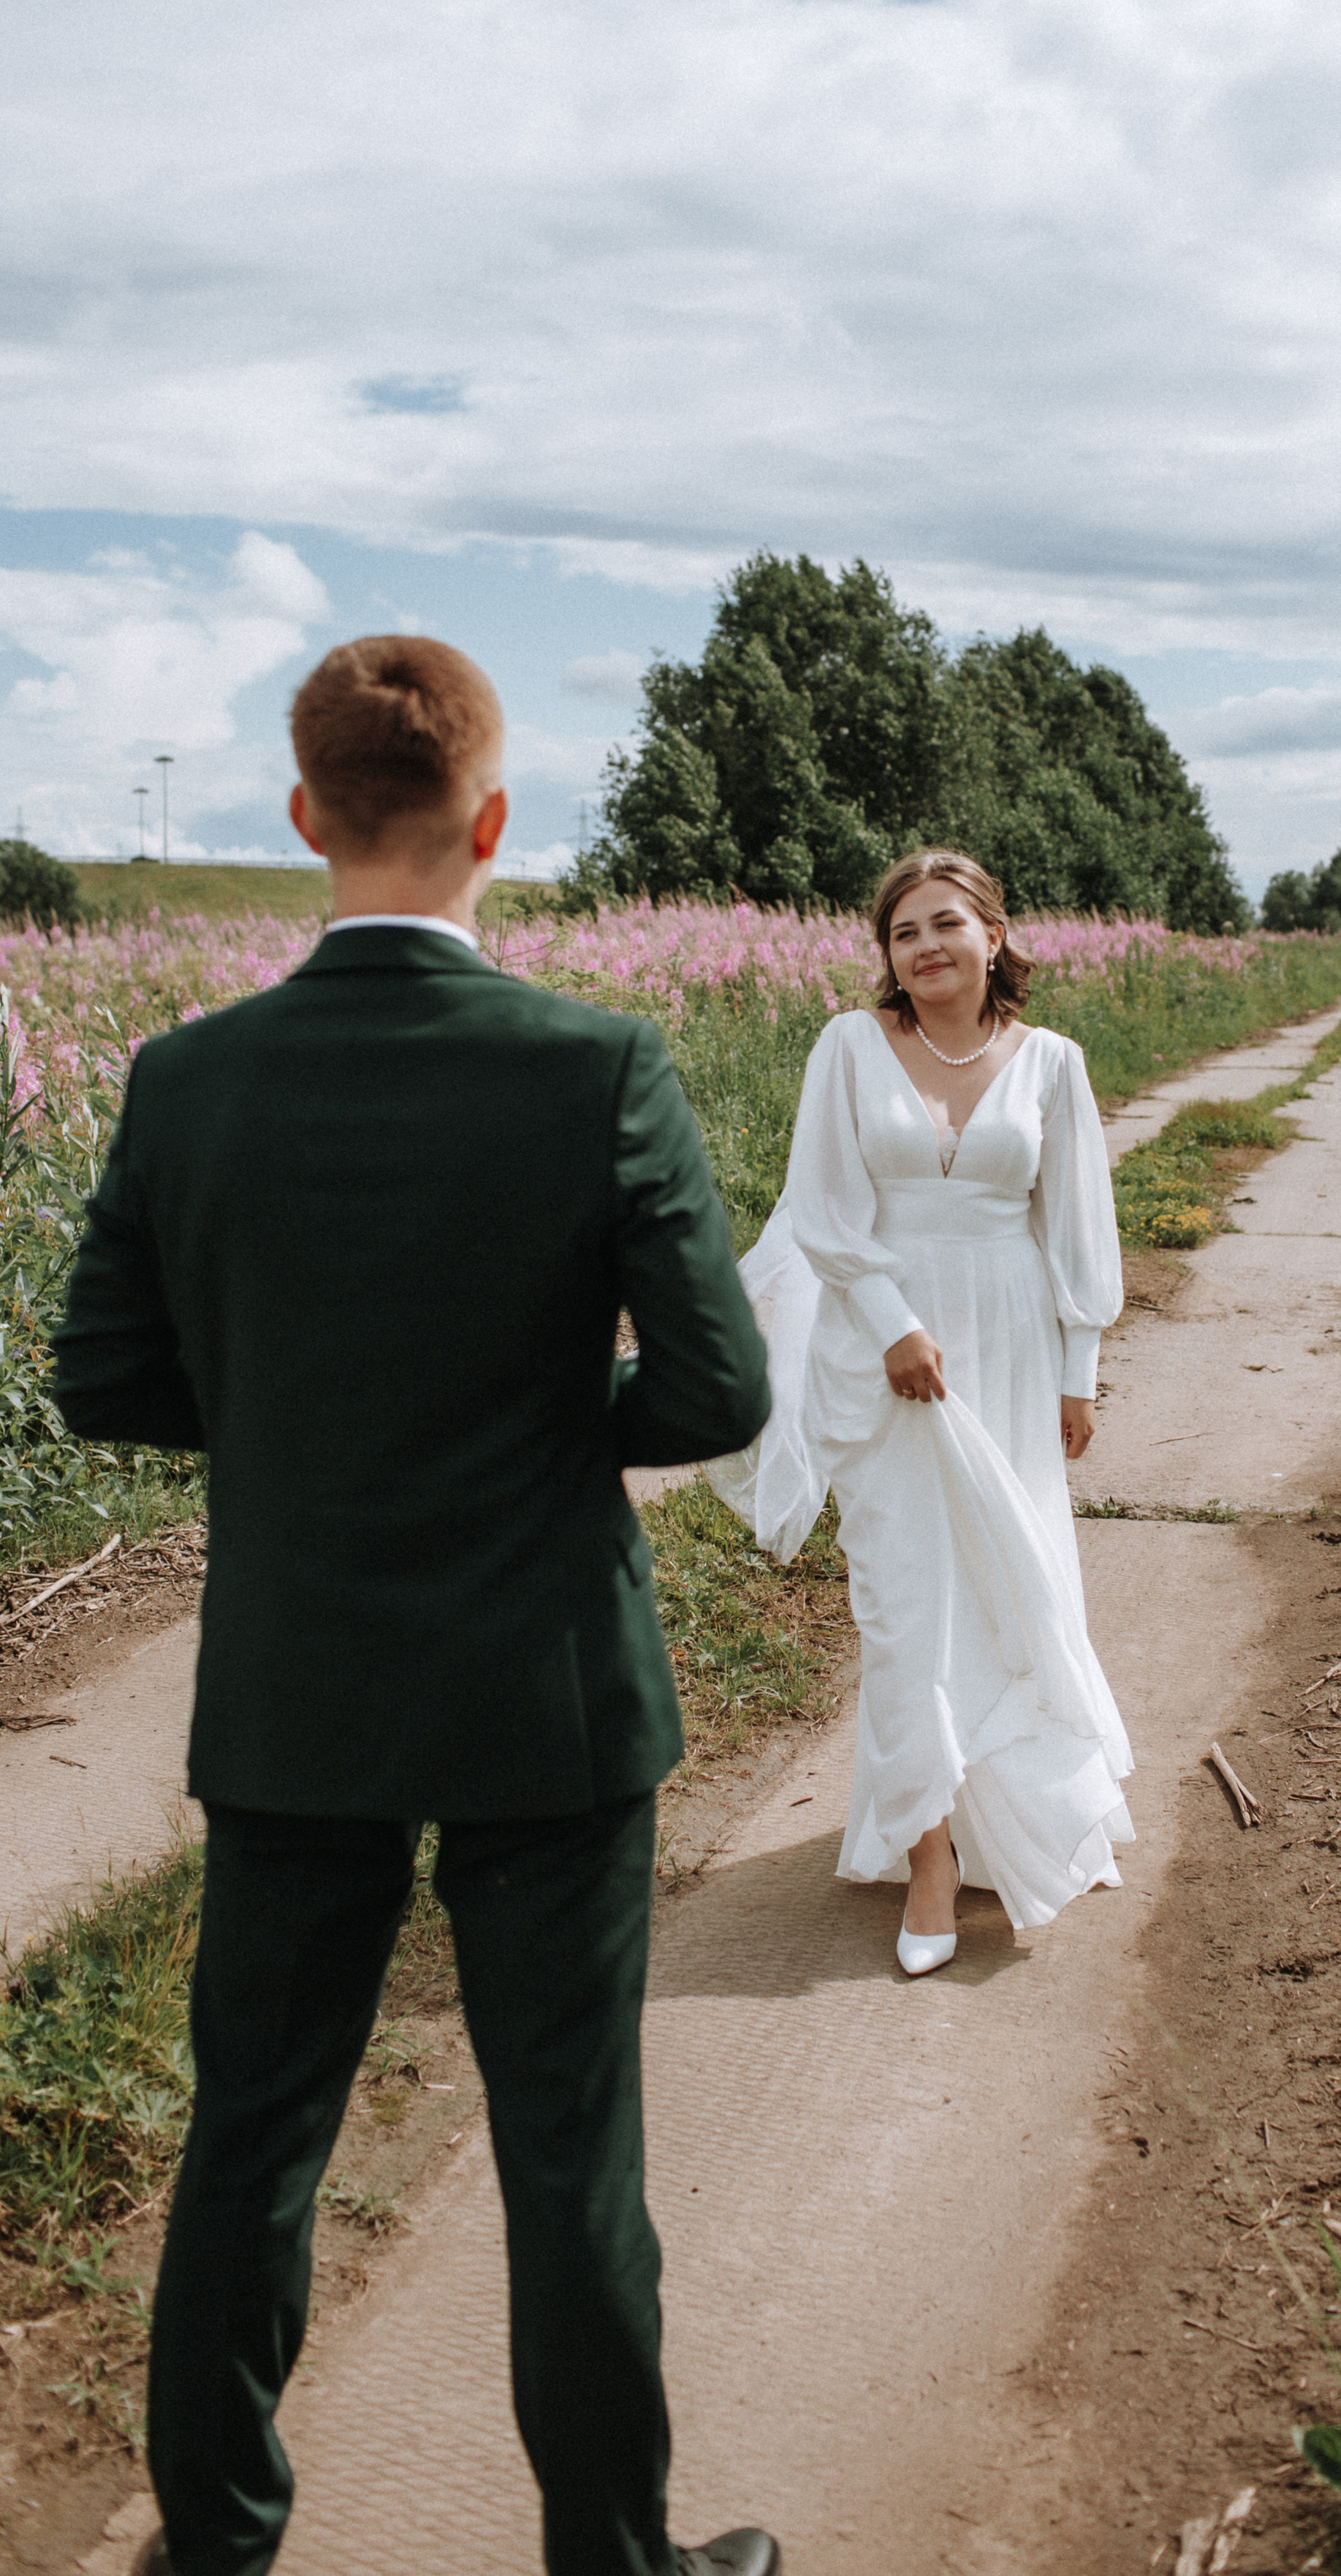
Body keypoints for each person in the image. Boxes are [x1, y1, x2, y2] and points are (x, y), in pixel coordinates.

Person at [51, 637, 780, 2576]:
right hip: (546, 1685)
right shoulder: (593, 1063)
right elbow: (715, 1391)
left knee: (254, 2141)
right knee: (570, 2159)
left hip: (297, 1688)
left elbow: (104, 1382)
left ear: (303, 817)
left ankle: (215, 2553)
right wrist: (547, 1425)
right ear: (495, 825)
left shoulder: (186, 1078)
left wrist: (305, 1430)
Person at [712, 849, 1132, 1975]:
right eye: (904, 932)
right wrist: (894, 1322)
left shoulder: (1052, 1064)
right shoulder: (851, 1048)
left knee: (1011, 1580)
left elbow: (1075, 1227)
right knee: (904, 1604)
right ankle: (930, 1858)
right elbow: (823, 1207)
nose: (926, 946)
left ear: (996, 935)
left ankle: (1028, 1822)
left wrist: (1077, 1368)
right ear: (886, 954)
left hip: (1007, 1340)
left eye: (948, 923)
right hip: (880, 1340)